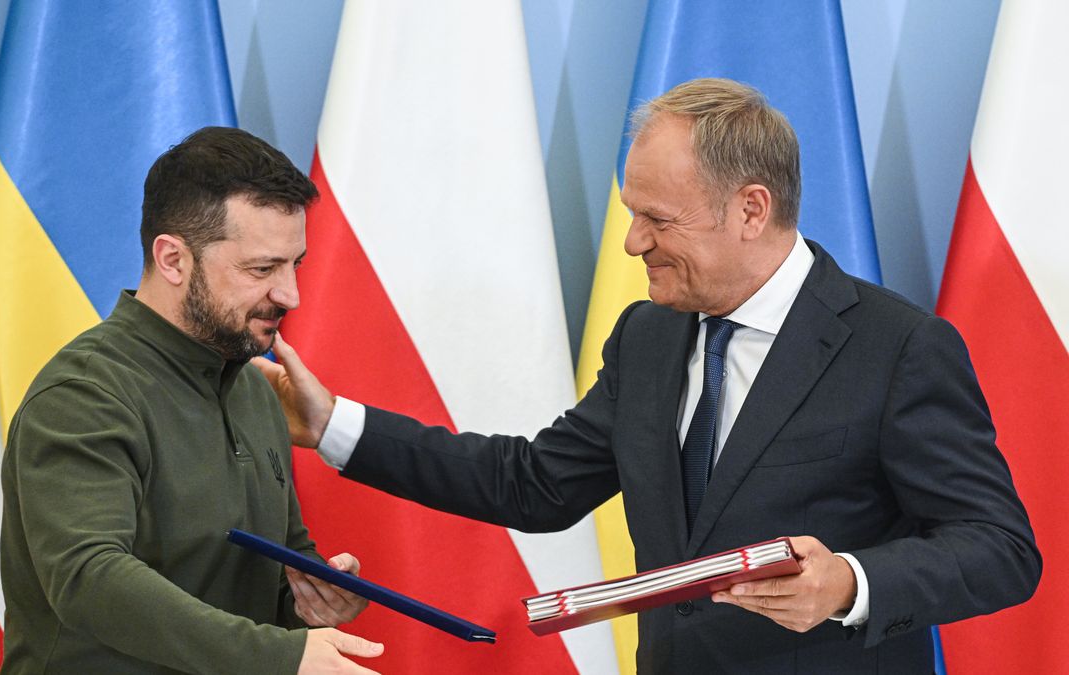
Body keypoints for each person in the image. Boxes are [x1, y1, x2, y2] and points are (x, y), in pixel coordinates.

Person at [257, 79, 1040, 673]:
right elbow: (533, 483)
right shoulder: (649, 336)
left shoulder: (898, 345)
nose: (633, 243)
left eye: (658, 220)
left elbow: (1001, 546)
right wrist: (333, 424)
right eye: (633, 213)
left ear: (751, 209)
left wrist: (849, 582)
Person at [0, 127, 384, 674]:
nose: (290, 295)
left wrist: (307, 596)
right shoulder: (84, 395)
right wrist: (278, 656)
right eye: (262, 268)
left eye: (294, 264)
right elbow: (88, 578)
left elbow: (273, 561)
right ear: (173, 259)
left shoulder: (254, 388)